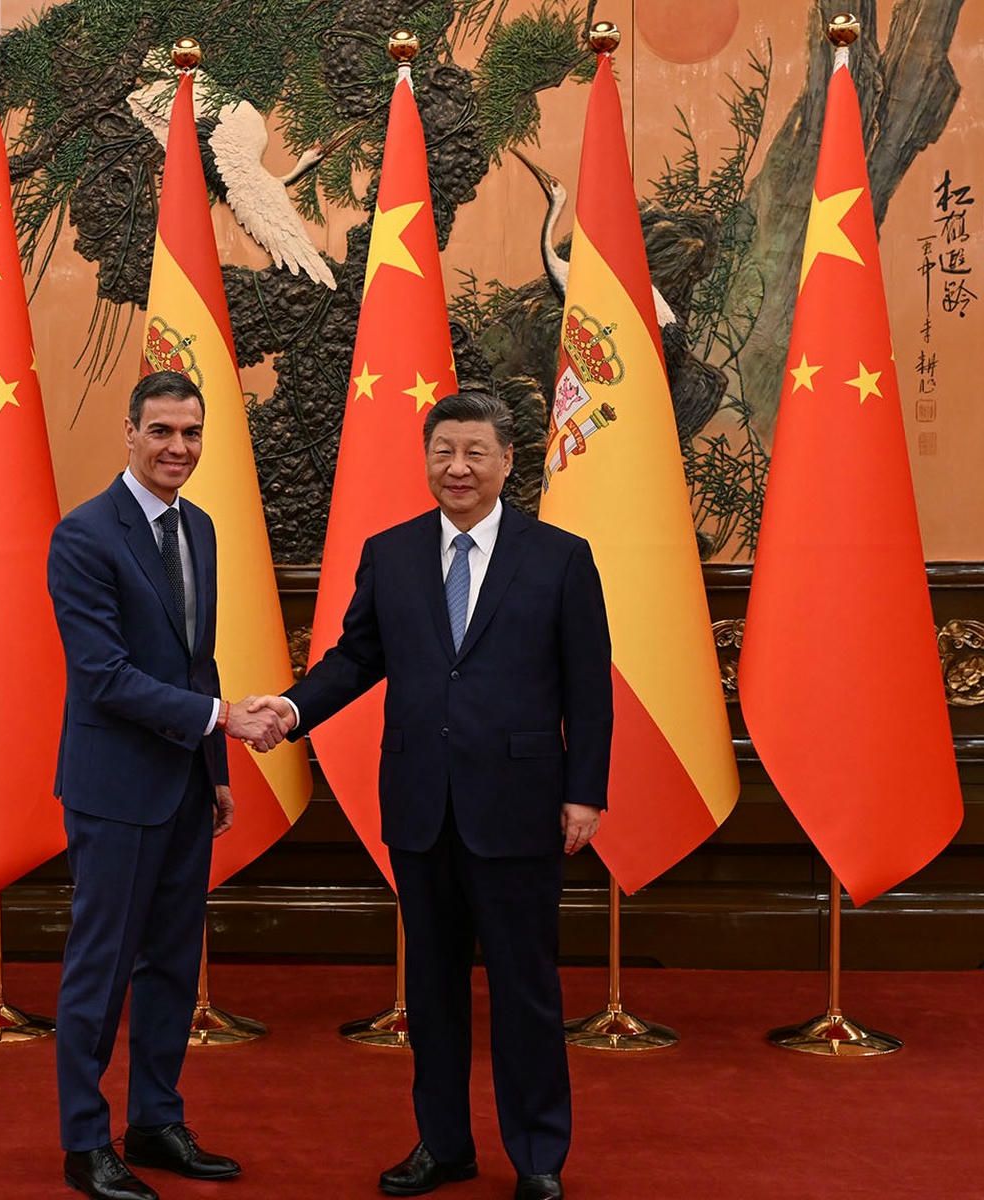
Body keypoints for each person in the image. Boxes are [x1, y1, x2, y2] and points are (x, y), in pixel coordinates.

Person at [248, 391, 613, 1200]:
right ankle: (441, 1145)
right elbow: (355, 658)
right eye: (442, 451)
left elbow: (589, 688)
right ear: (425, 459)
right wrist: (294, 705)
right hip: (420, 804)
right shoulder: (392, 552)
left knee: (525, 989)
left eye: (475, 452)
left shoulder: (558, 557)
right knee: (432, 991)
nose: (457, 468)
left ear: (506, 461)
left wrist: (584, 791)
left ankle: (538, 1156)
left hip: (520, 806)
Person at [46, 370, 283, 1200]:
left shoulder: (202, 529)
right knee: (100, 968)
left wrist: (214, 772)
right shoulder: (83, 537)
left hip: (184, 785)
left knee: (173, 965)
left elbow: (194, 659)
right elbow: (103, 676)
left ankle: (153, 1120)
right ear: (129, 432)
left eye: (190, 433)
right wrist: (222, 720)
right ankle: (85, 1142)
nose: (177, 448)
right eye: (161, 432)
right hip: (113, 790)